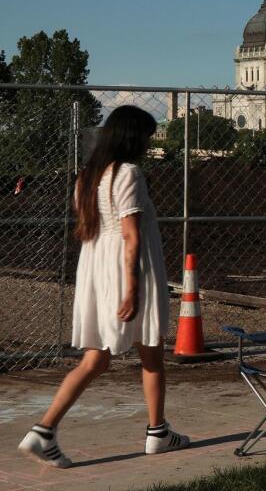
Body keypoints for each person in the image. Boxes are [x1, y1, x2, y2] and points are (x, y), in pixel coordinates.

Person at [18, 106, 189, 468]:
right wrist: (133, 288)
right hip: (126, 269)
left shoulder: (88, 176)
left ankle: (44, 429)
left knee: (96, 357)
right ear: (132, 137)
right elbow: (130, 236)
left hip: (97, 267)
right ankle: (156, 432)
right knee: (151, 351)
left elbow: (92, 229)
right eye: (145, 135)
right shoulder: (128, 173)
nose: (147, 142)